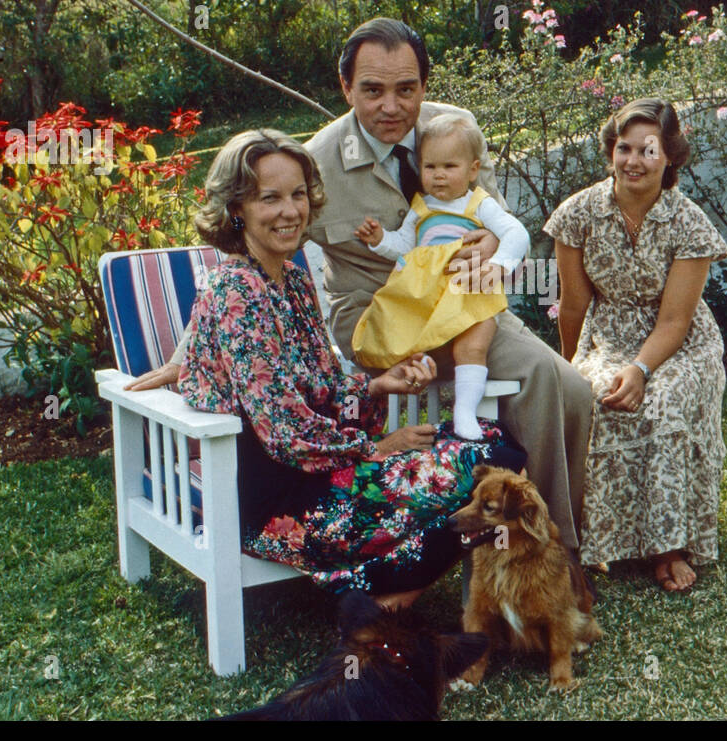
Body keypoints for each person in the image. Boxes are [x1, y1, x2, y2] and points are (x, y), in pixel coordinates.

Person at [128, 18, 592, 550]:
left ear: (424, 85)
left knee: (572, 391)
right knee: (532, 381)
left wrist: (487, 245)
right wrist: (187, 352)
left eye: (406, 89)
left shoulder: (454, 129)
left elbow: (492, 218)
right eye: (372, 90)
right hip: (379, 316)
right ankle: (548, 556)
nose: (391, 107)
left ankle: (546, 541)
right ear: (346, 87)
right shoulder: (316, 160)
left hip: (460, 301)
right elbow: (238, 260)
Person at [177, 129, 526, 608]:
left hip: (328, 469)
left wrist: (378, 385)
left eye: (298, 195)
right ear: (236, 208)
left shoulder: (292, 278)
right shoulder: (236, 291)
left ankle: (387, 593)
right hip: (283, 500)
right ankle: (376, 600)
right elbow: (284, 430)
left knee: (495, 444)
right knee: (483, 468)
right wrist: (374, 447)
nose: (290, 211)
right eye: (269, 198)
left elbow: (321, 386)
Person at [544, 98, 727, 593]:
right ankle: (600, 541)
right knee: (592, 397)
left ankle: (667, 546)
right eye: (623, 148)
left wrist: (641, 370)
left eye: (648, 150)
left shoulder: (688, 222)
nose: (633, 161)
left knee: (662, 403)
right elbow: (573, 307)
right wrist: (569, 368)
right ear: (610, 152)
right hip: (608, 335)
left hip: (680, 344)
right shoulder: (577, 214)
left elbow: (674, 320)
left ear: (669, 156)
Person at [352, 112, 530, 440]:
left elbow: (516, 234)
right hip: (426, 298)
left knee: (472, 346)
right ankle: (379, 415)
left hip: (468, 290)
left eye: (450, 167)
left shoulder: (478, 205)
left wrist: (498, 265)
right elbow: (404, 247)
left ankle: (464, 411)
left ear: (473, 169)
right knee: (399, 332)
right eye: (431, 167)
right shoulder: (421, 209)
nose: (439, 176)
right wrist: (379, 241)